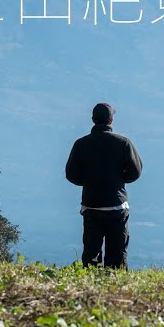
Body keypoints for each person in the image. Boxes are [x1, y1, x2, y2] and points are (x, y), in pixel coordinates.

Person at [64, 102, 143, 268]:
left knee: (91, 255)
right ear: (111, 121)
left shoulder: (81, 144)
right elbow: (135, 171)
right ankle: (115, 287)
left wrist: (88, 182)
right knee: (117, 255)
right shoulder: (124, 143)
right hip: (117, 206)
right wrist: (120, 180)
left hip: (91, 206)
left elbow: (71, 174)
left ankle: (90, 287)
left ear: (93, 119)